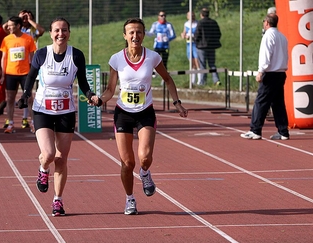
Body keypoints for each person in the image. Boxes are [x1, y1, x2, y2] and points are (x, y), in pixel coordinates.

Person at [89, 18, 188, 215]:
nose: (135, 36)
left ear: (144, 35)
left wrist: (177, 103)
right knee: (127, 163)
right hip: (123, 113)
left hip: (145, 112)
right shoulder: (116, 59)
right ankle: (130, 199)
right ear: (125, 36)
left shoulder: (152, 57)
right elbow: (110, 89)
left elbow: (167, 79)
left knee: (144, 158)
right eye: (131, 32)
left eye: (139, 32)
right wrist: (99, 100)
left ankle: (145, 174)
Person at [18, 17, 99, 216]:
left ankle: (58, 201)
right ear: (52, 33)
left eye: (64, 30)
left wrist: (90, 95)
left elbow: (83, 83)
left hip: (65, 111)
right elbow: (30, 77)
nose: (60, 34)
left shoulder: (76, 55)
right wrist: (26, 94)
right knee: (49, 154)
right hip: (42, 110)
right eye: (56, 30)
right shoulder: (41, 54)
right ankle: (43, 169)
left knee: (61, 159)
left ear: (69, 33)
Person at [240, 14, 289, 141]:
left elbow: (266, 55)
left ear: (267, 22)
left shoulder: (268, 36)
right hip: (280, 73)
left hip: (271, 73)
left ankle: (255, 130)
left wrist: (261, 71)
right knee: (278, 103)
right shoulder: (282, 37)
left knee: (261, 101)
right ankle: (283, 131)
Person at [0, 16, 36, 134]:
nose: (8, 27)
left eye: (11, 25)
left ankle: (33, 123)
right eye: (8, 25)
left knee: (29, 99)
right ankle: (10, 123)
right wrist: (3, 74)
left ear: (18, 26)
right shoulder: (6, 39)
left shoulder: (28, 39)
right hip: (11, 73)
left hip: (25, 73)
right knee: (10, 99)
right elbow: (4, 57)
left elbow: (32, 57)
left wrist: (33, 72)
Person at [194, 8, 221, 86]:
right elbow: (218, 33)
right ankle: (216, 80)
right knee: (212, 64)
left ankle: (202, 82)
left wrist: (196, 42)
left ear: (201, 15)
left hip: (201, 47)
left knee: (202, 65)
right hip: (211, 46)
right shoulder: (213, 22)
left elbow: (197, 35)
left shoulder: (200, 23)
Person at [180, 11, 201, 85]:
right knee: (192, 63)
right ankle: (192, 81)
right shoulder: (186, 24)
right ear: (187, 16)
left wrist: (192, 36)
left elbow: (199, 34)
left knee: (197, 61)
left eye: (193, 15)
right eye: (190, 15)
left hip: (196, 44)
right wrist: (183, 35)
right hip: (189, 44)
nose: (191, 17)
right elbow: (184, 33)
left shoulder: (197, 23)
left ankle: (200, 80)